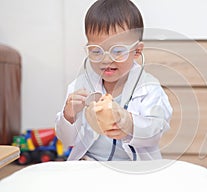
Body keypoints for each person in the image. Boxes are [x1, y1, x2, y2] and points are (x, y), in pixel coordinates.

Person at [55, 0, 172, 161]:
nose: (106, 59)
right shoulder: (80, 86)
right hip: (90, 164)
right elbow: (67, 140)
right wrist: (68, 116)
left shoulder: (149, 88)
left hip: (133, 168)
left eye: (117, 51)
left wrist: (130, 124)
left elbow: (156, 131)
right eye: (96, 51)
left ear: (137, 51)